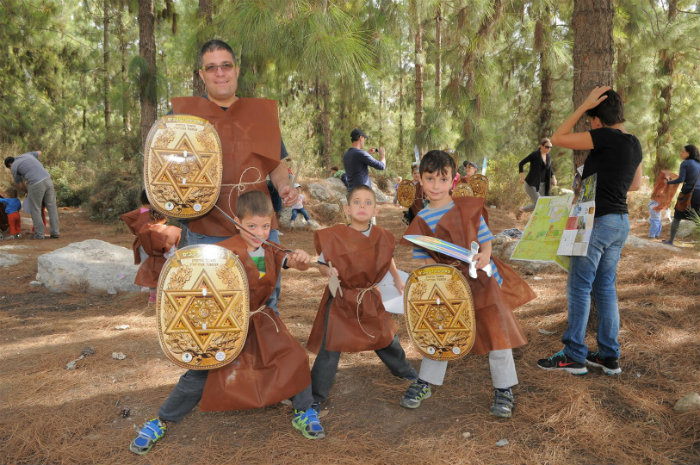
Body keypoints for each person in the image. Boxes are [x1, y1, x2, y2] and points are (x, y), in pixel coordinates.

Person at [129, 191, 324, 455]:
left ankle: (303, 410)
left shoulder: (271, 249)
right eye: (251, 225)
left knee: (294, 357)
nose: (259, 232)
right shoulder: (220, 252)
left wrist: (301, 260)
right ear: (237, 222)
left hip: (262, 320)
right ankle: (162, 420)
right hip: (227, 323)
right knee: (201, 369)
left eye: (266, 226)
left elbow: (293, 262)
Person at [400, 150, 536, 418]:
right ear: (420, 181)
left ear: (453, 180)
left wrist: (485, 255)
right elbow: (423, 257)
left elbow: (484, 237)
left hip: (480, 278)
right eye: (430, 179)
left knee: (497, 330)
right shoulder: (421, 220)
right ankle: (425, 382)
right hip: (446, 284)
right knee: (440, 329)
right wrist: (434, 277)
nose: (436, 186)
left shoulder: (468, 207)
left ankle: (504, 388)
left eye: (442, 179)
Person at [169, 39, 296, 312]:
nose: (220, 73)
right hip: (208, 231)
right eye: (211, 67)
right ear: (202, 75)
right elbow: (166, 168)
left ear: (236, 70)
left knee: (263, 295)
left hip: (259, 232)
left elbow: (275, 164)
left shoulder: (259, 116)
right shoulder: (184, 117)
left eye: (226, 65)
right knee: (214, 302)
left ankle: (263, 353)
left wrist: (285, 187)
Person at [537, 86, 642, 376]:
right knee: (605, 287)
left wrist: (583, 105)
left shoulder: (602, 136)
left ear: (596, 120)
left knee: (580, 286)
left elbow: (557, 138)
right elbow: (636, 185)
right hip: (620, 222)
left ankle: (573, 355)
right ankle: (609, 356)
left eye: (591, 118)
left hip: (596, 221)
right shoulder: (633, 143)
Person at [308, 185, 417, 416]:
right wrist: (328, 273)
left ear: (375, 209)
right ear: (347, 209)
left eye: (368, 202)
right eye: (357, 202)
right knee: (331, 346)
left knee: (385, 336)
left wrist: (397, 278)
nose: (362, 206)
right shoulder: (334, 236)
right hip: (341, 298)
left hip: (369, 295)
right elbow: (320, 263)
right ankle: (315, 396)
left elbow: (387, 259)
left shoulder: (381, 236)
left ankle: (405, 371)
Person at [4, 151, 60, 239]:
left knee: (35, 208)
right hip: (48, 179)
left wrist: (27, 192)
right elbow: (40, 152)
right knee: (52, 207)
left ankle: (39, 234)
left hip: (35, 183)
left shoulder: (14, 167)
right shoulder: (26, 155)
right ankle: (55, 232)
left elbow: (21, 185)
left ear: (9, 164)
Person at [134, 209, 181, 303]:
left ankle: (152, 298)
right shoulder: (169, 231)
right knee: (164, 281)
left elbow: (140, 248)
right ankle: (163, 298)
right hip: (163, 261)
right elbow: (170, 252)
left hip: (150, 260)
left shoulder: (144, 230)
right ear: (165, 217)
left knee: (152, 281)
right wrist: (177, 265)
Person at [663, 144, 700, 245]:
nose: (681, 153)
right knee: (698, 218)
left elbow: (681, 179)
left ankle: (671, 241)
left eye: (683, 151)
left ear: (688, 153)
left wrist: (668, 182)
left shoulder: (685, 163)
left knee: (677, 217)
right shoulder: (698, 164)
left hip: (687, 194)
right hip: (698, 194)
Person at [517, 138, 557, 217]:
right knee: (540, 203)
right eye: (547, 147)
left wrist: (553, 178)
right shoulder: (534, 155)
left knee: (544, 203)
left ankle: (522, 209)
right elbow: (521, 163)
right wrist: (522, 177)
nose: (549, 149)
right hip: (531, 184)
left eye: (550, 147)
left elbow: (549, 168)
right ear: (541, 146)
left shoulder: (548, 156)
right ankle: (523, 210)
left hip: (543, 185)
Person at [120, 189, 151, 265]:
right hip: (153, 244)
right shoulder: (155, 214)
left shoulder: (138, 213)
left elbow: (128, 219)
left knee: (146, 267)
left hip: (142, 244)